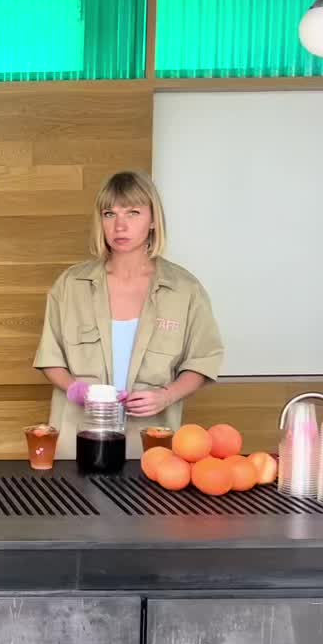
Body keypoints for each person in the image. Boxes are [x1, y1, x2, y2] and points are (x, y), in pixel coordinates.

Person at [33, 170, 223, 460]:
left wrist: (166, 396)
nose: (120, 226)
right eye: (109, 214)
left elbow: (202, 360)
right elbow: (50, 357)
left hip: (150, 449)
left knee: (146, 490)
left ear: (153, 220)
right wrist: (76, 390)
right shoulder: (71, 285)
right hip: (78, 444)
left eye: (133, 213)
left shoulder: (185, 290)